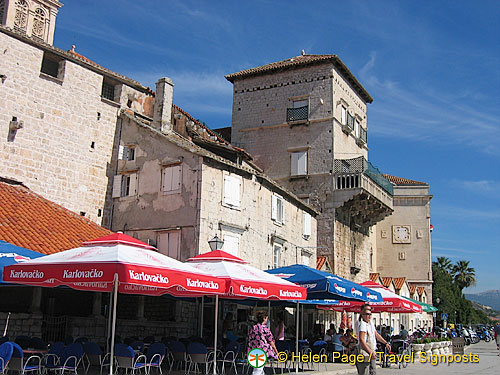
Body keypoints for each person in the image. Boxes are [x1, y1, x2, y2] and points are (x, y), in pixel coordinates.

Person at [355, 304, 391, 375]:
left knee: (373, 371)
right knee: (364, 372)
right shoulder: (362, 324)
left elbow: (376, 334)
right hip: (364, 351)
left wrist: (385, 343)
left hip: (371, 350)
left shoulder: (370, 323)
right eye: (367, 314)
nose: (369, 316)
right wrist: (370, 352)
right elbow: (362, 340)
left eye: (370, 313)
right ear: (362, 313)